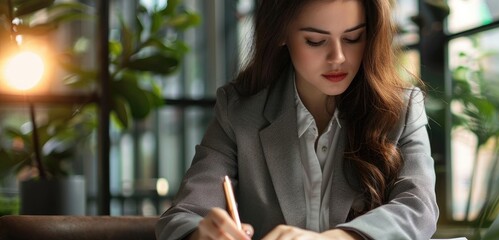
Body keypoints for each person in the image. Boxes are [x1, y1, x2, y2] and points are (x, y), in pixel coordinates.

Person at [155, 0, 438, 239]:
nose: (338, 57)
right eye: (315, 40)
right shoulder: (239, 112)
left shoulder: (401, 108)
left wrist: (339, 238)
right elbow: (182, 216)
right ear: (281, 34)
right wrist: (201, 233)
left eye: (353, 38)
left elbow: (419, 208)